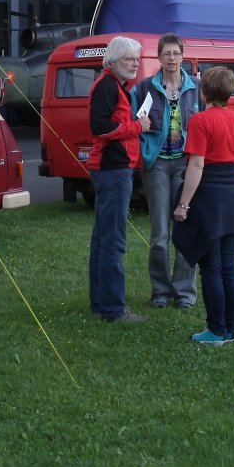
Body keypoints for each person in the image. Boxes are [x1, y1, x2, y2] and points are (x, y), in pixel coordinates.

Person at [171, 65, 234, 346]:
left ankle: (216, 330)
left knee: (211, 267)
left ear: (204, 91)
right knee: (228, 268)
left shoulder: (200, 121)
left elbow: (197, 165)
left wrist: (183, 205)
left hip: (209, 197)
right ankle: (230, 329)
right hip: (233, 196)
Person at [134, 34, 201, 309]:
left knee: (185, 230)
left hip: (187, 166)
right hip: (158, 166)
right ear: (159, 58)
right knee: (159, 233)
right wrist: (143, 142)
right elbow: (131, 121)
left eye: (176, 53)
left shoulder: (197, 87)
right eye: (167, 54)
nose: (171, 58)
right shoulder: (144, 88)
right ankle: (160, 291)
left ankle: (185, 293)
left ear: (183, 56)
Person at [87, 35, 150, 324]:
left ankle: (101, 303)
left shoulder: (115, 85)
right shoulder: (108, 86)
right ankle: (113, 309)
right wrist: (137, 126)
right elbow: (100, 127)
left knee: (103, 238)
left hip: (113, 169)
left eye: (137, 59)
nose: (135, 64)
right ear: (113, 61)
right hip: (113, 170)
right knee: (112, 240)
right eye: (128, 59)